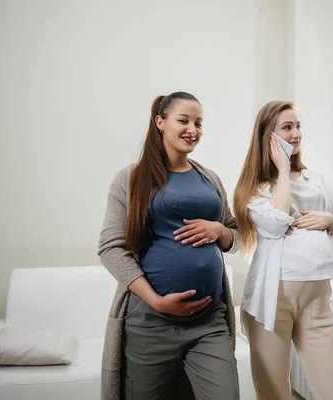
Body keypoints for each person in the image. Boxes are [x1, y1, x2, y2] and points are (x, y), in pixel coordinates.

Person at [98, 92, 240, 400]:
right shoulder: (131, 178)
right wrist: (156, 301)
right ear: (160, 122)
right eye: (183, 120)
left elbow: (235, 234)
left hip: (209, 321)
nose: (193, 129)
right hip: (151, 322)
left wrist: (219, 230)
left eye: (199, 123)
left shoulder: (209, 179)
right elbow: (110, 247)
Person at [233, 100, 333, 399]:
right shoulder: (256, 187)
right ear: (268, 137)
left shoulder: (320, 180)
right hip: (271, 302)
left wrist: (331, 223)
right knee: (274, 394)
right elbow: (275, 224)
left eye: (298, 126)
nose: (296, 134)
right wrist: (283, 170)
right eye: (287, 127)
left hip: (317, 300)